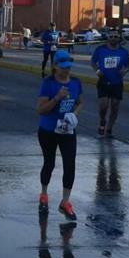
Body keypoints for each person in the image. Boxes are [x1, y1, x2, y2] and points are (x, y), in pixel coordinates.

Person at [36, 50, 83, 221]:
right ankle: (44, 193)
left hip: (67, 131)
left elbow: (80, 102)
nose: (66, 71)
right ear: (55, 66)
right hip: (48, 130)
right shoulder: (48, 83)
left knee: (70, 164)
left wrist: (74, 115)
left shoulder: (76, 82)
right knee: (49, 163)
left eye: (68, 67)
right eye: (63, 67)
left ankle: (65, 201)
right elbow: (40, 109)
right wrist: (57, 98)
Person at [90, 29, 129, 138]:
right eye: (111, 36)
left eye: (116, 37)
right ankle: (102, 120)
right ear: (108, 38)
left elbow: (128, 66)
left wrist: (124, 71)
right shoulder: (100, 50)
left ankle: (109, 128)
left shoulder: (123, 52)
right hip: (103, 81)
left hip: (117, 82)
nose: (113, 38)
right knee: (104, 105)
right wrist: (97, 70)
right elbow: (93, 62)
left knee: (115, 106)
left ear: (119, 38)